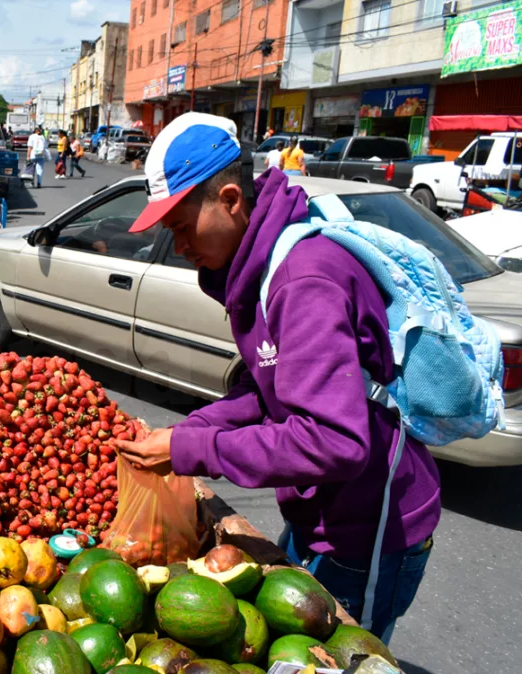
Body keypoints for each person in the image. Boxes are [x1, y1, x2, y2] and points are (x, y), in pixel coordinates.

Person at [113, 113, 439, 644]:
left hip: (369, 529)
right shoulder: (259, 270)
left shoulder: (303, 280)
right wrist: (192, 430)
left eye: (180, 227)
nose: (178, 247)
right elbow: (271, 389)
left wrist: (197, 449)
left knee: (341, 653)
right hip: (319, 512)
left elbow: (335, 440)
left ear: (230, 200)